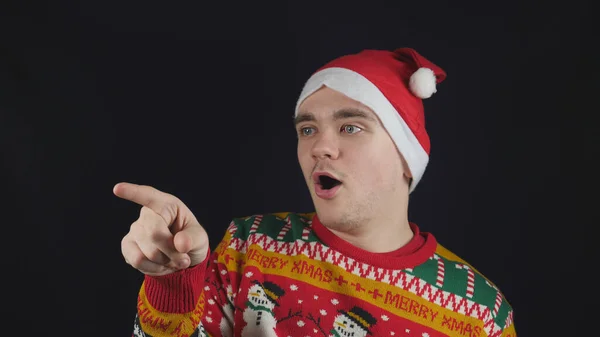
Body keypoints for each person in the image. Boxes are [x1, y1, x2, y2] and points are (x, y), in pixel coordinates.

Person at [115, 47, 517, 337]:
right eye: (307, 129)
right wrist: (174, 281)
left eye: (350, 127)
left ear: (406, 156)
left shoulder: (478, 313)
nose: (318, 147)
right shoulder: (249, 246)